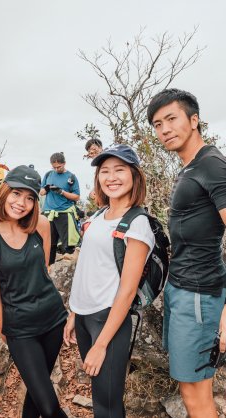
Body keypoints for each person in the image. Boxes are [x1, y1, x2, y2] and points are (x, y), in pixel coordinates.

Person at [147, 88, 226, 418]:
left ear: (194, 120)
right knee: (188, 385)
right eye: (157, 123)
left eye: (171, 119)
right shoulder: (191, 166)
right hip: (182, 289)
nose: (164, 129)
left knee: (196, 393)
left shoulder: (214, 165)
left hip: (199, 294)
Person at [63, 145, 155, 418]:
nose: (111, 177)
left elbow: (127, 292)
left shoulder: (138, 223)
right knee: (99, 393)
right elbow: (86, 269)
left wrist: (101, 344)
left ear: (134, 176)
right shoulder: (97, 216)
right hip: (84, 317)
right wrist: (73, 314)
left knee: (107, 405)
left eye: (119, 170)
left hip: (109, 320)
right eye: (105, 171)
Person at [0, 165, 68, 418]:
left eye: (30, 197)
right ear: (4, 192)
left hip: (53, 319)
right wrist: (3, 329)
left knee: (38, 394)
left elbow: (44, 270)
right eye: (16, 194)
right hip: (20, 327)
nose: (22, 203)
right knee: (50, 408)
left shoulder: (41, 225)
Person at [39, 152, 81, 264]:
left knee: (67, 244)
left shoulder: (71, 177)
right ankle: (48, 269)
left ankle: (67, 272)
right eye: (54, 167)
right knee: (49, 243)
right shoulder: (48, 174)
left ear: (64, 163)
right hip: (48, 213)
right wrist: (46, 189)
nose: (57, 169)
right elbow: (41, 192)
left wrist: (62, 192)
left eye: (59, 167)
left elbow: (76, 197)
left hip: (64, 213)